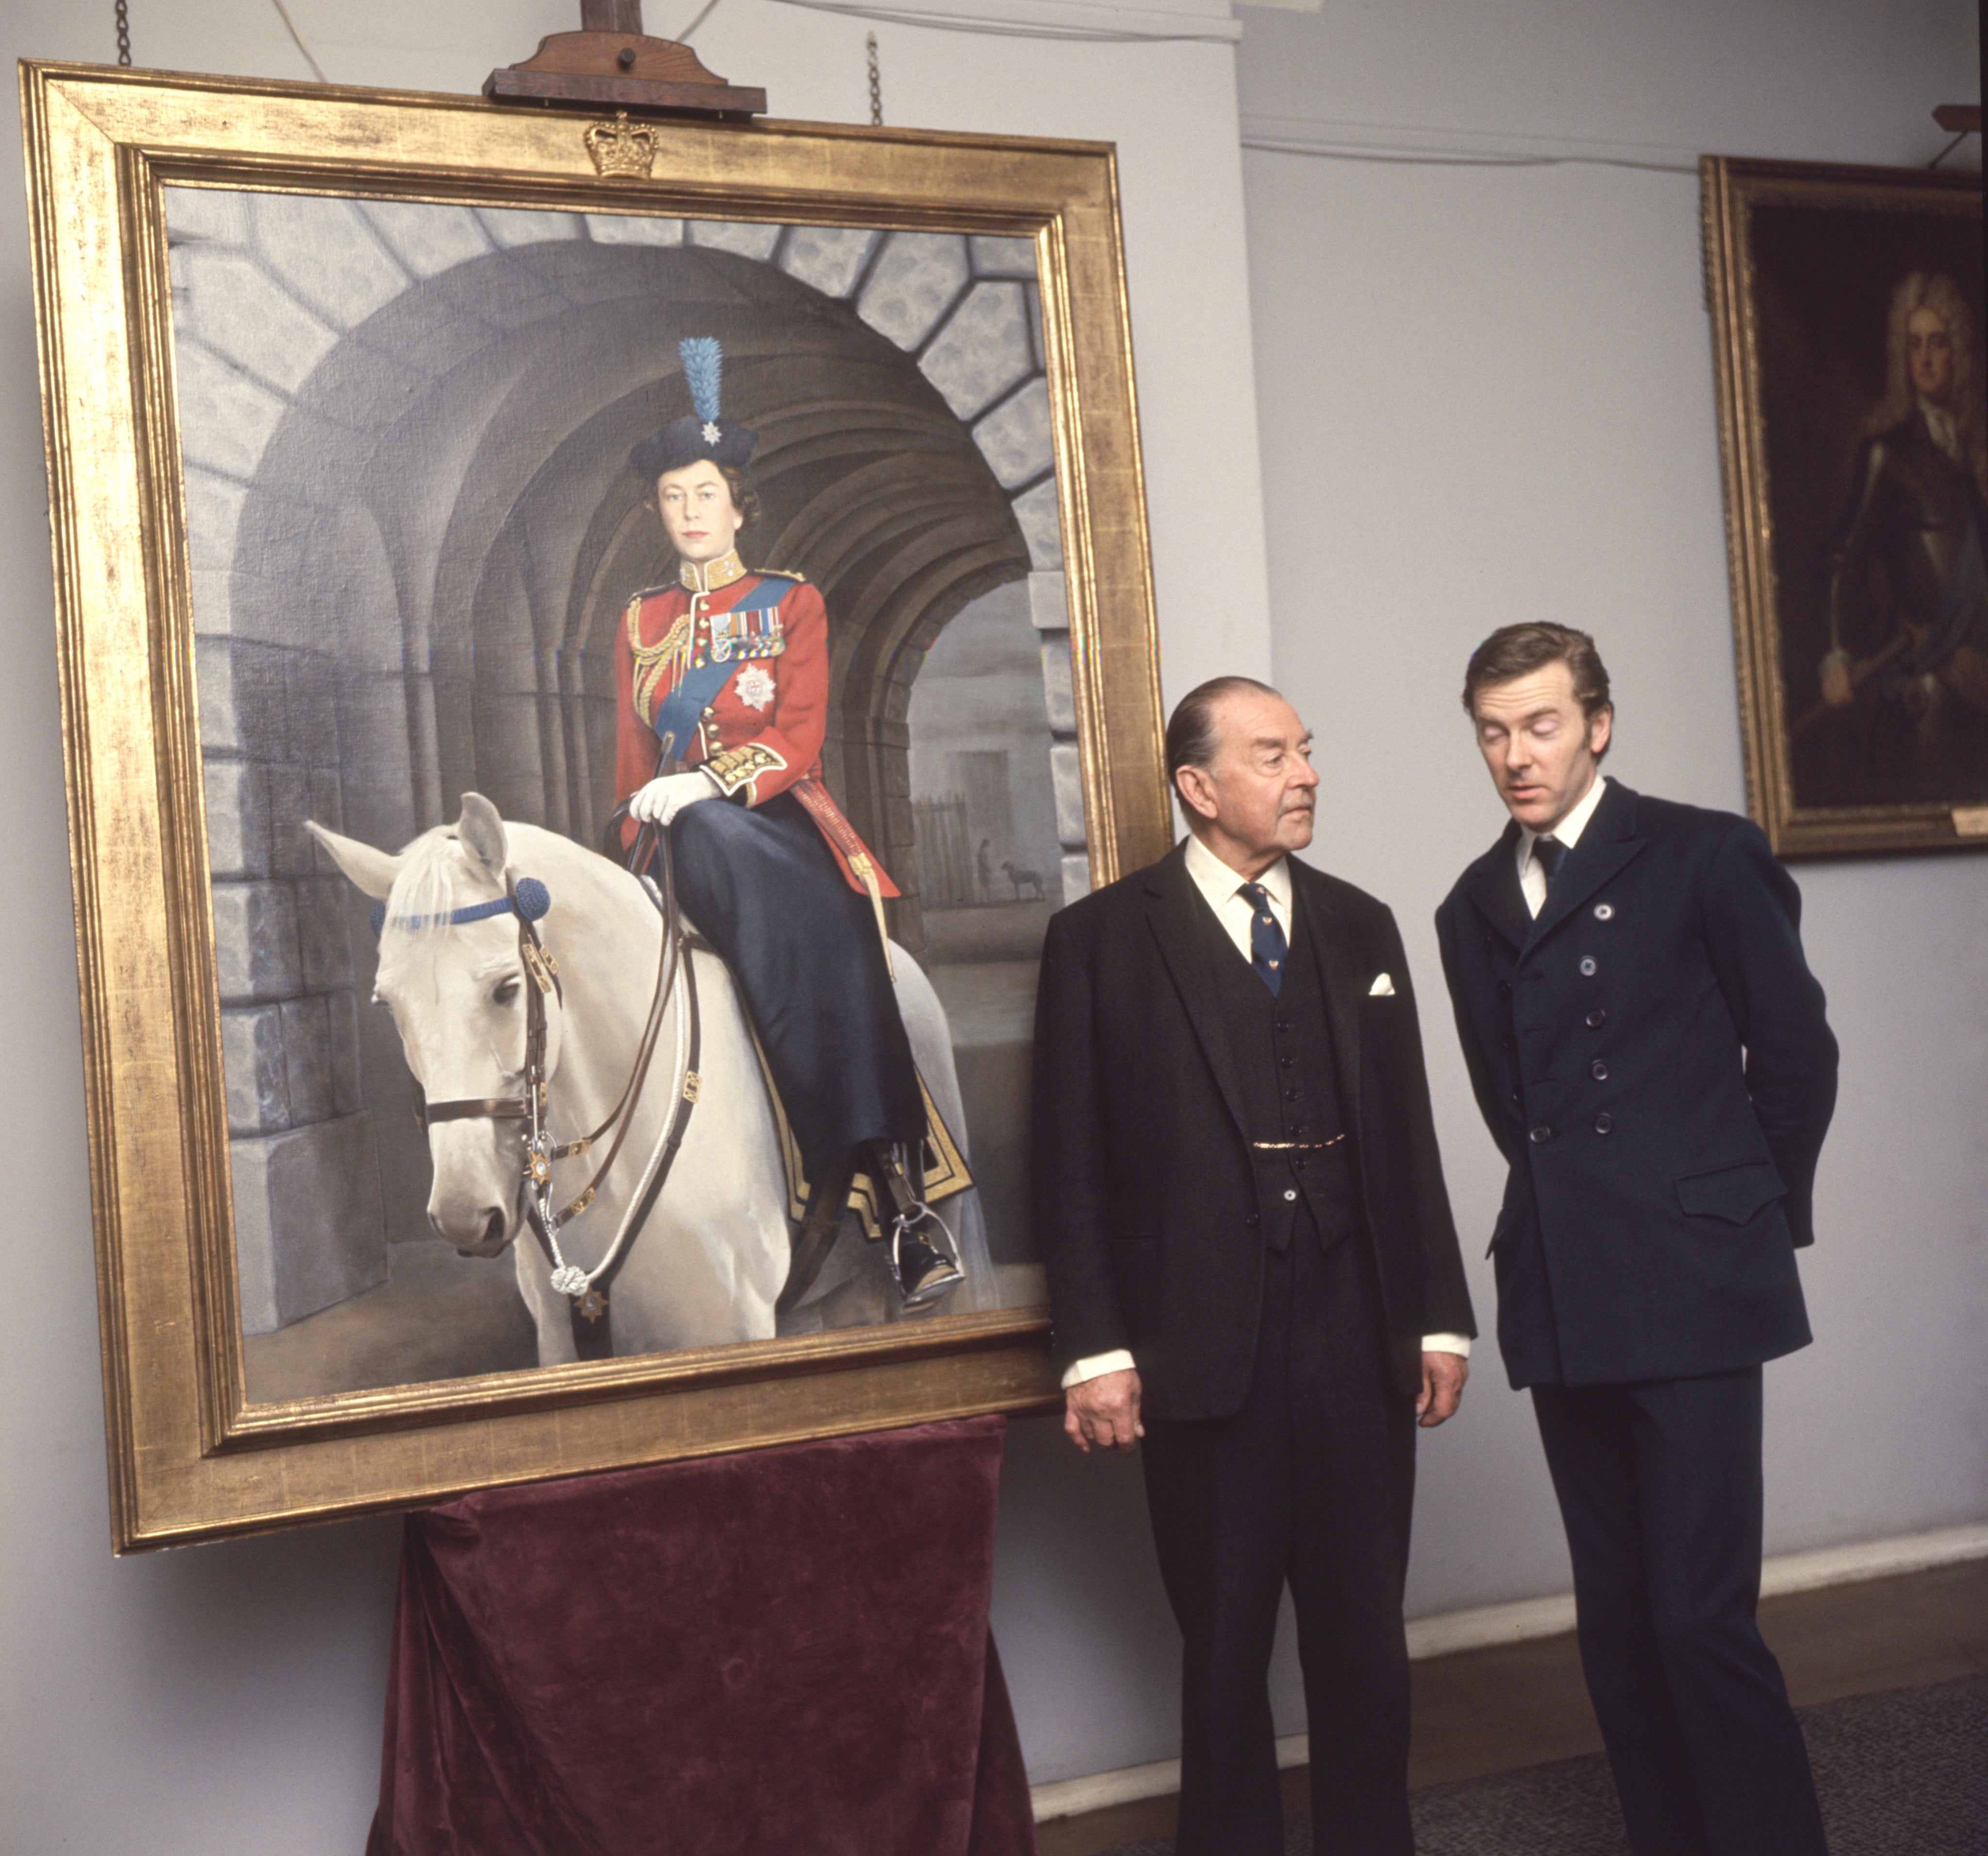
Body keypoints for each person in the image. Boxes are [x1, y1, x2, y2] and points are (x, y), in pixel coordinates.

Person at [1031, 676, 1474, 1856]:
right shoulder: (1099, 942)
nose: (1306, 774)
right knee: (1225, 1644)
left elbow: (1407, 1134)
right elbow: (1065, 1162)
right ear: (1197, 785)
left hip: (1360, 1329)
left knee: (1363, 1638)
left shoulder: (1364, 923)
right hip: (1197, 1341)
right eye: (1273, 754)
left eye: (1307, 751)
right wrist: (1094, 1347)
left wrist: (1438, 1317)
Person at [1435, 623, 1838, 1856]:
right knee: (1613, 1619)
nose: (1517, 754)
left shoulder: (1705, 853)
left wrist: (1738, 1214)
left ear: (1597, 724)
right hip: (1564, 1284)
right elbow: (1517, 1111)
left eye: (1541, 724)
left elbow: (1798, 1054)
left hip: (1693, 1279)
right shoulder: (1471, 904)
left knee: (1699, 1618)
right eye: (1495, 731)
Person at [616, 337, 961, 1306]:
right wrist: (632, 839)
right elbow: (630, 758)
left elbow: (799, 736)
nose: (690, 514)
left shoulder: (790, 603)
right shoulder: (640, 622)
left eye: (706, 495)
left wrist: (709, 787)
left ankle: (893, 1194)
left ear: (738, 505)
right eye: (673, 498)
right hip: (676, 837)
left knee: (726, 844)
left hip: (774, 827)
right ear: (659, 511)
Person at [1816, 270, 1988, 800]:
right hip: (1927, 698)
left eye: (1937, 343)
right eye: (1915, 346)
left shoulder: (1976, 456)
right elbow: (1845, 563)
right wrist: (1839, 657)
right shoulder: (1886, 455)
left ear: (1956, 350)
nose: (1926, 359)